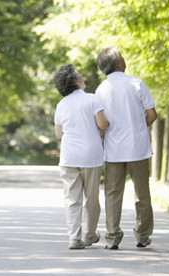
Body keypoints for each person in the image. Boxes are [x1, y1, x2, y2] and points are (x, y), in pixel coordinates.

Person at [95, 47, 157, 250]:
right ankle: (143, 236)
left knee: (113, 194)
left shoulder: (101, 89)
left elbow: (100, 122)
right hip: (138, 148)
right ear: (119, 64)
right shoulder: (136, 83)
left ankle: (113, 238)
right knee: (142, 193)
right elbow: (152, 114)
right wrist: (139, 125)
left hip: (113, 151)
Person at [53, 64, 110, 250]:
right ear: (75, 81)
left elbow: (59, 134)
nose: (83, 76)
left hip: (69, 157)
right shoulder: (92, 99)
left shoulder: (61, 105)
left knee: (72, 199)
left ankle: (74, 238)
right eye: (80, 75)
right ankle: (89, 235)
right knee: (91, 198)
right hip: (90, 156)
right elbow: (103, 124)